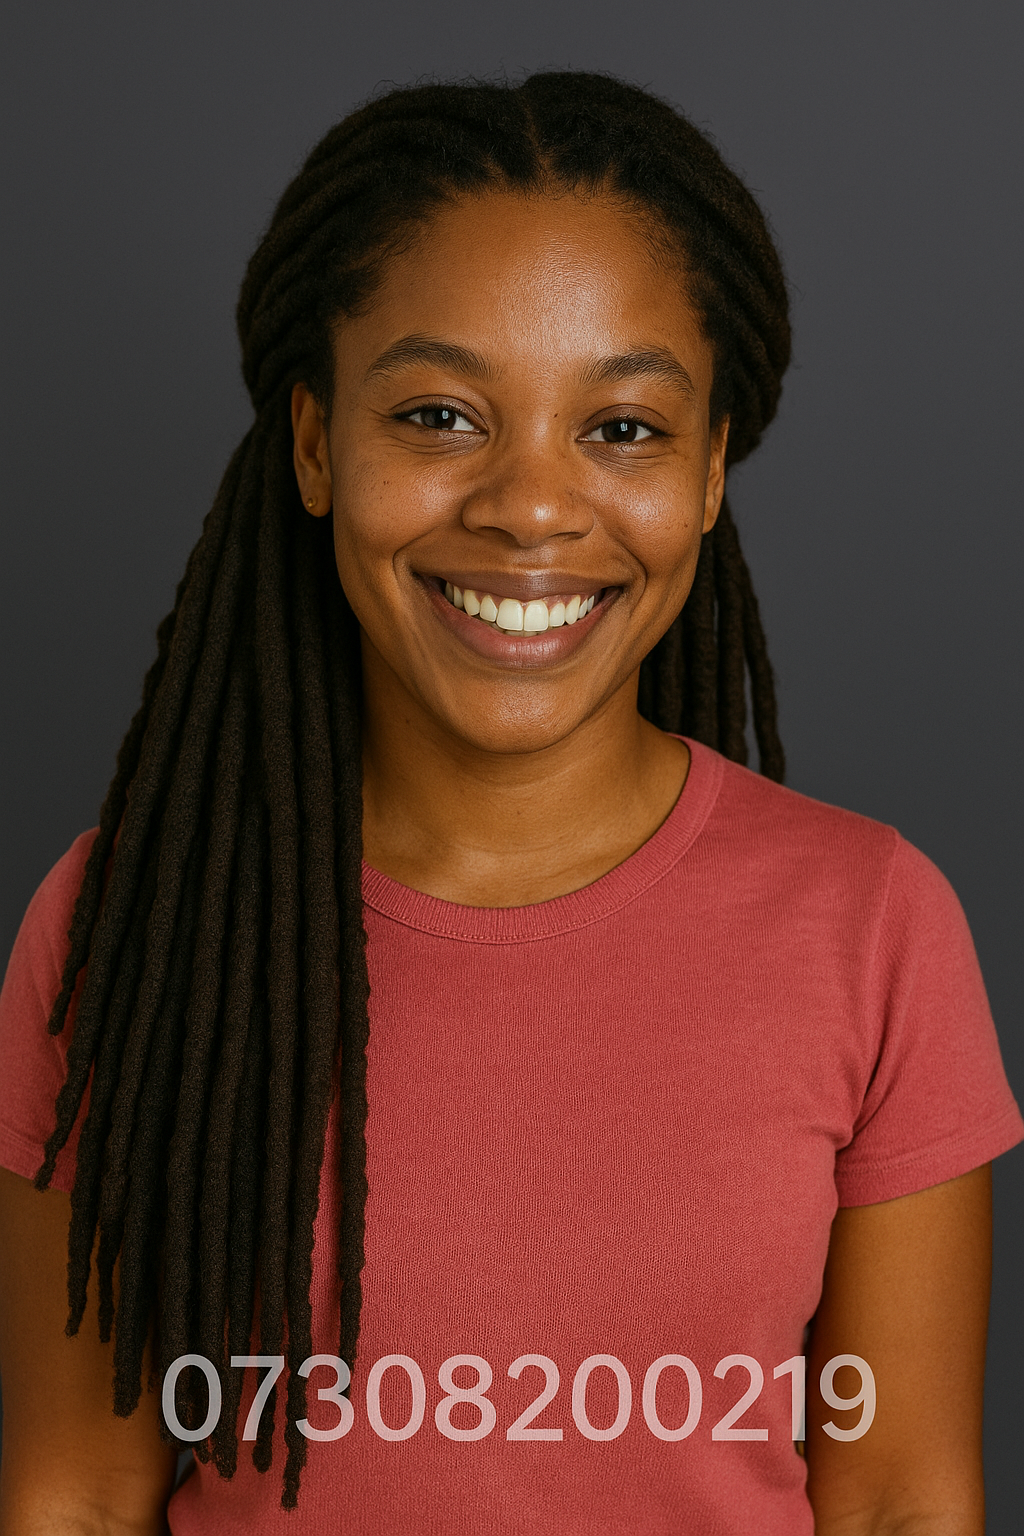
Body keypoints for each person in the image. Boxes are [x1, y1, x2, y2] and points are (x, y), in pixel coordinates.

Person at [0, 71, 1020, 1536]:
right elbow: (80, 1498)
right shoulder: (130, 923)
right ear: (314, 444)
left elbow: (900, 1502)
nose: (531, 506)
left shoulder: (873, 926)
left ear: (712, 468)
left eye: (624, 428)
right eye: (439, 414)